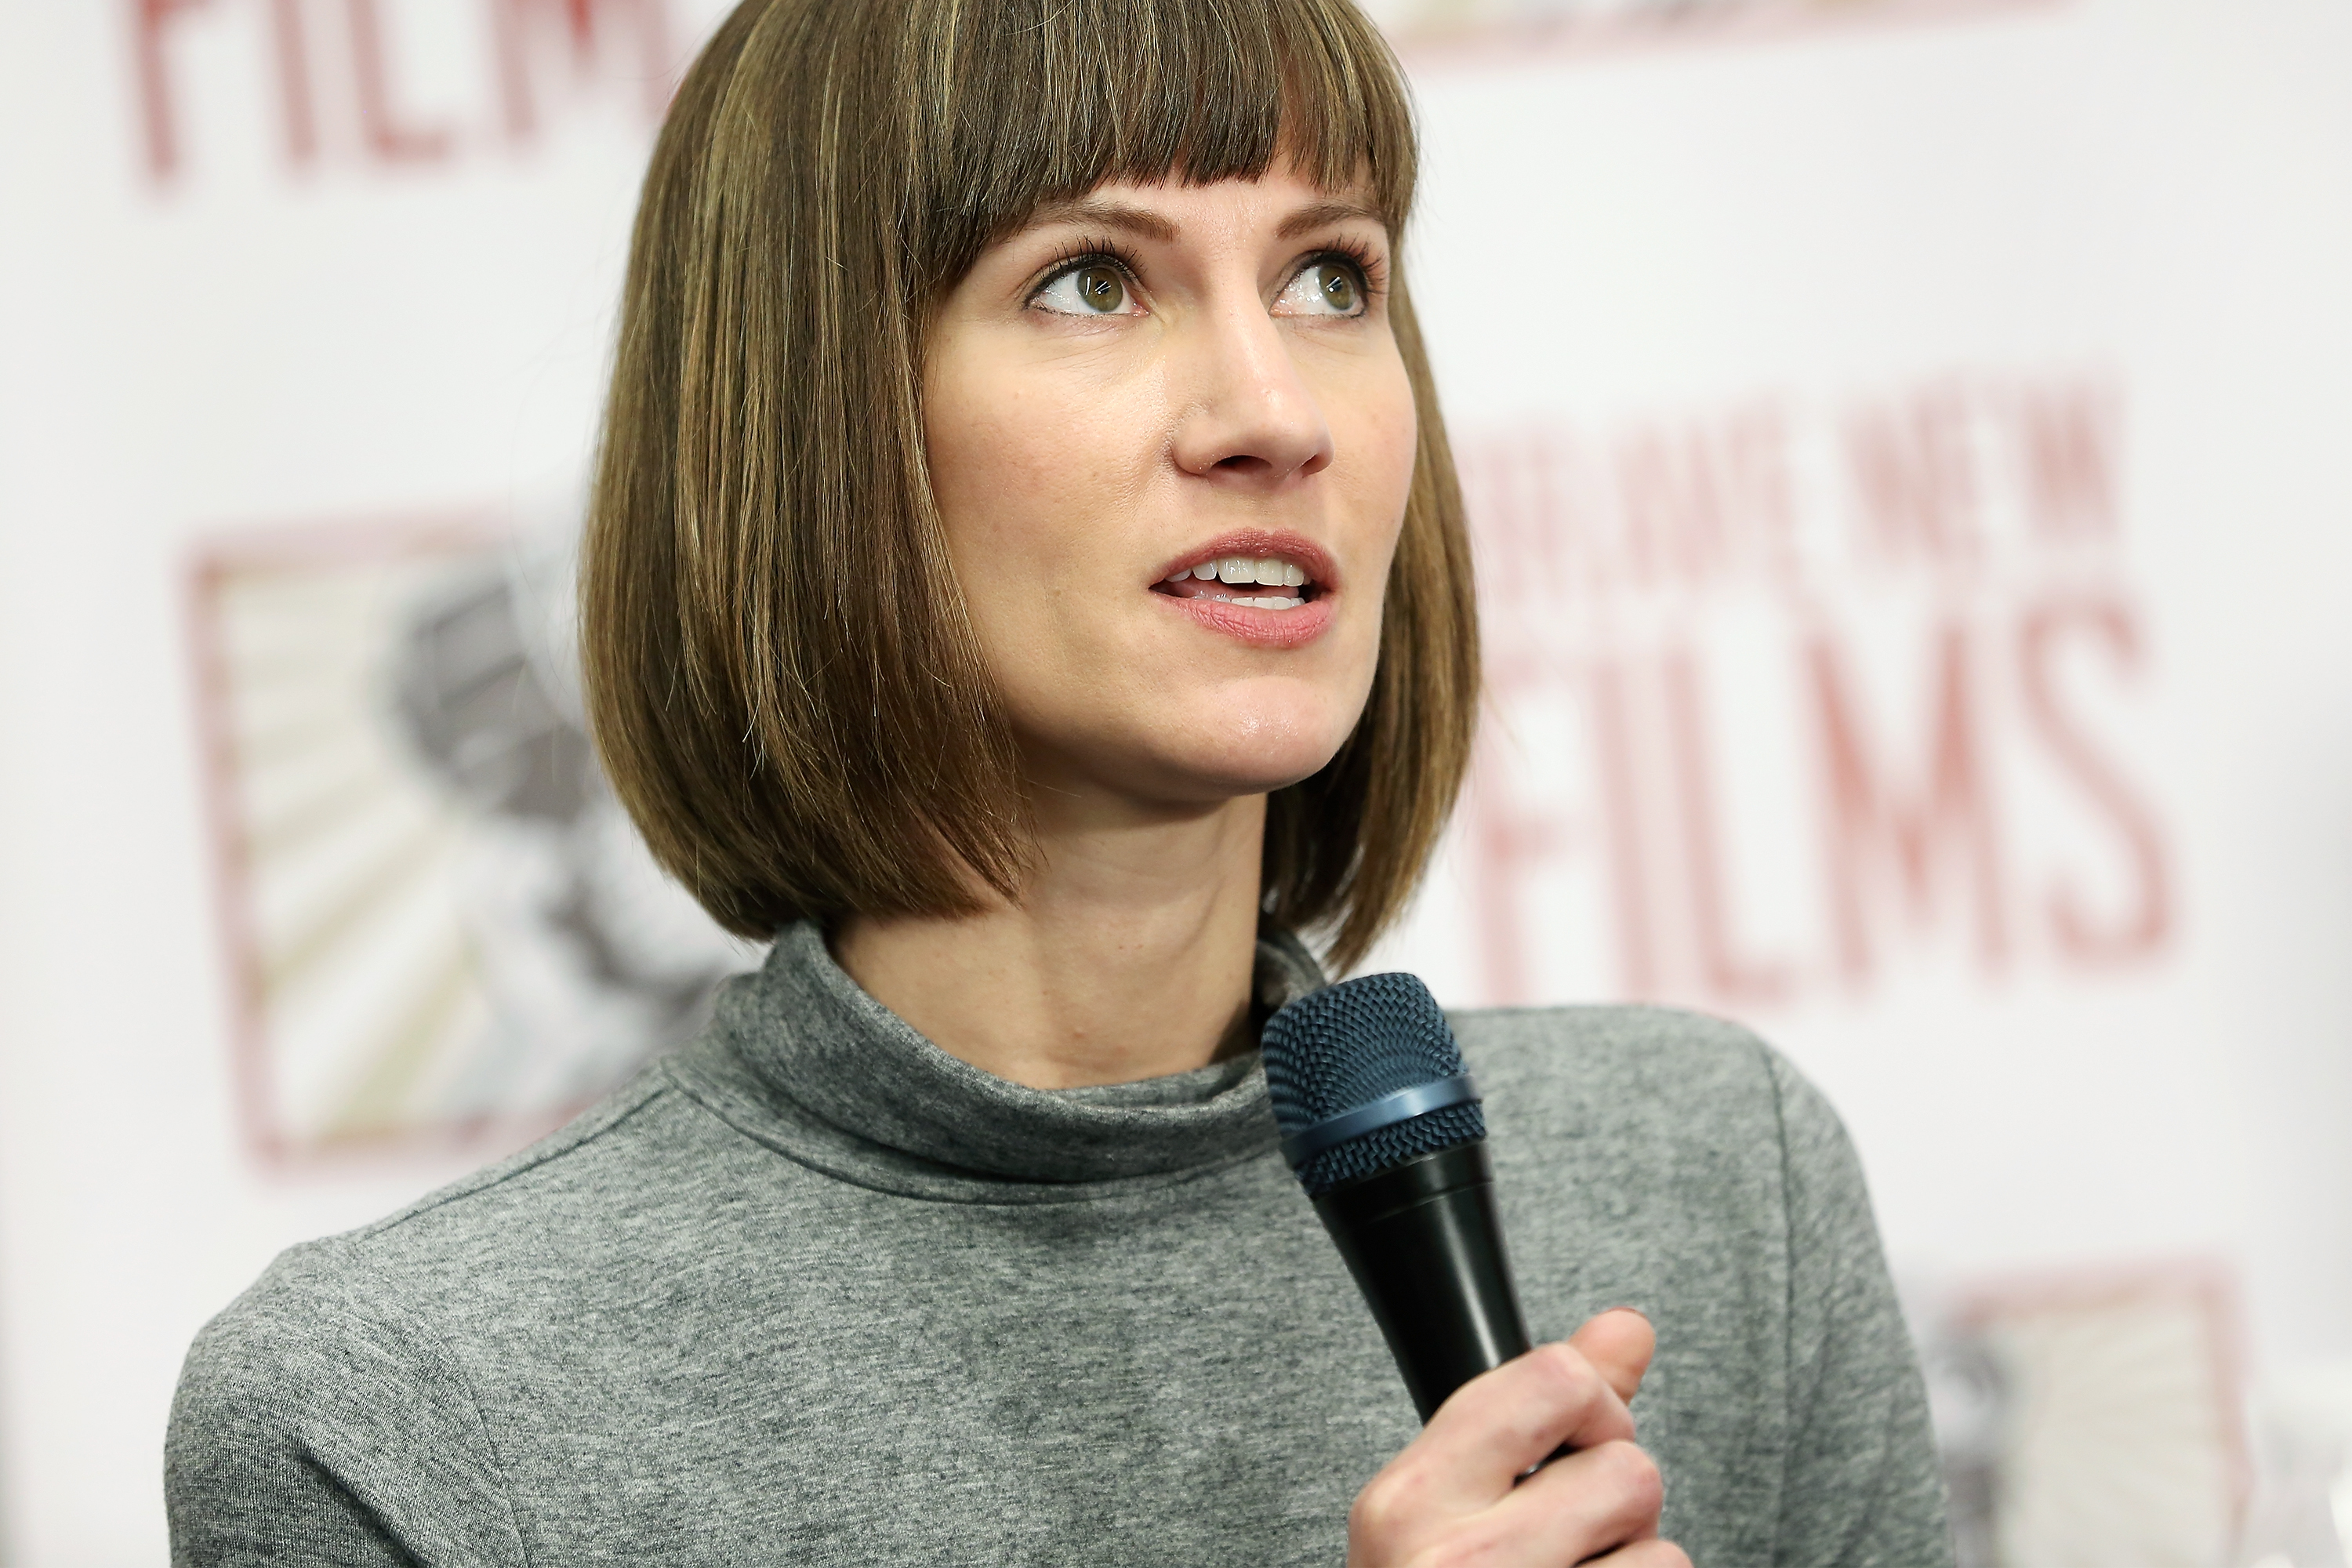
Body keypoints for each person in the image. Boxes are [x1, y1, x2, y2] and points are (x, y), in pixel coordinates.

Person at [165, 0, 1952, 1559]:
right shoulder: (401, 1414)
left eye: (1329, 276)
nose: (1277, 412)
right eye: (1093, 280)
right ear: (813, 427)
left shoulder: (1717, 1184)